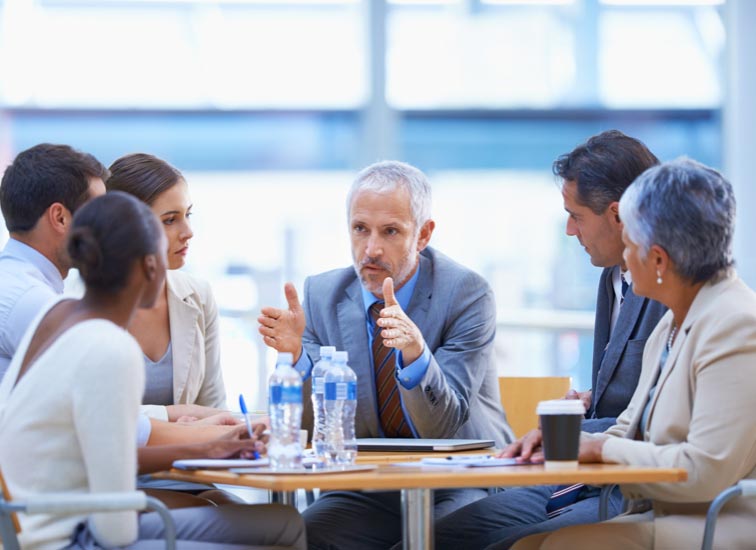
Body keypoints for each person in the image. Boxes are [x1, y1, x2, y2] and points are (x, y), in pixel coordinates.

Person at [0, 192, 306, 549]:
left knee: (283, 521)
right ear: (150, 266)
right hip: (74, 538)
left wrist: (210, 449)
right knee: (276, 532)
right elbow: (117, 530)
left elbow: (108, 454)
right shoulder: (111, 349)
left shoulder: (60, 319)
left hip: (52, 520)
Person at [258, 160, 512, 549]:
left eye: (390, 231)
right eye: (361, 229)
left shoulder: (466, 294)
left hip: (458, 481)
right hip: (366, 487)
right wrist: (296, 361)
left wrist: (414, 352)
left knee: (426, 542)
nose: (371, 249)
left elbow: (440, 427)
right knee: (293, 539)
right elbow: (309, 433)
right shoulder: (322, 296)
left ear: (424, 234)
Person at [434, 130, 667, 549]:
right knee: (429, 540)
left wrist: (569, 433)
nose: (568, 230)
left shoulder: (669, 291)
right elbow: (632, 390)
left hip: (627, 487)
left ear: (616, 215)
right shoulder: (611, 278)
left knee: (509, 545)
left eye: (576, 216)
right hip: (580, 478)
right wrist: (589, 401)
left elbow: (664, 418)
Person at [512, 159, 756, 549]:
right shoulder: (672, 325)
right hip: (664, 514)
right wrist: (564, 444)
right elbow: (626, 428)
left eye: (630, 246)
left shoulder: (738, 325)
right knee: (527, 545)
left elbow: (705, 471)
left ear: (658, 260)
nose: (624, 258)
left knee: (558, 547)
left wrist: (600, 449)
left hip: (718, 522)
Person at [106, 153, 226, 420]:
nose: (188, 231)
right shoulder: (77, 305)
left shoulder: (198, 295)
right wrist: (173, 415)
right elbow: (91, 416)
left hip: (187, 461)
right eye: (170, 220)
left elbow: (213, 407)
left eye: (188, 214)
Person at [0, 143, 107, 380]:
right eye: (98, 213)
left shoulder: (16, 282)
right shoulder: (30, 300)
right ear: (60, 218)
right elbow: (91, 401)